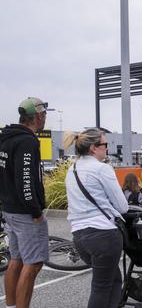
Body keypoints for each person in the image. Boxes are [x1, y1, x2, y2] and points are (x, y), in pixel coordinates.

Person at [62, 128, 129, 308]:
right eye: (104, 144)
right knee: (102, 286)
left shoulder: (72, 169)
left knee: (114, 279)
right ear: (93, 147)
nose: (107, 148)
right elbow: (122, 207)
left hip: (80, 237)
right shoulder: (102, 169)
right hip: (103, 236)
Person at [0, 97, 49, 308]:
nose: (45, 119)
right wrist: (35, 211)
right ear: (37, 116)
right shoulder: (27, 141)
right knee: (33, 263)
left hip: (9, 209)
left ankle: (11, 306)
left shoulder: (5, 137)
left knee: (16, 260)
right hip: (25, 213)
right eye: (44, 115)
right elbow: (26, 180)